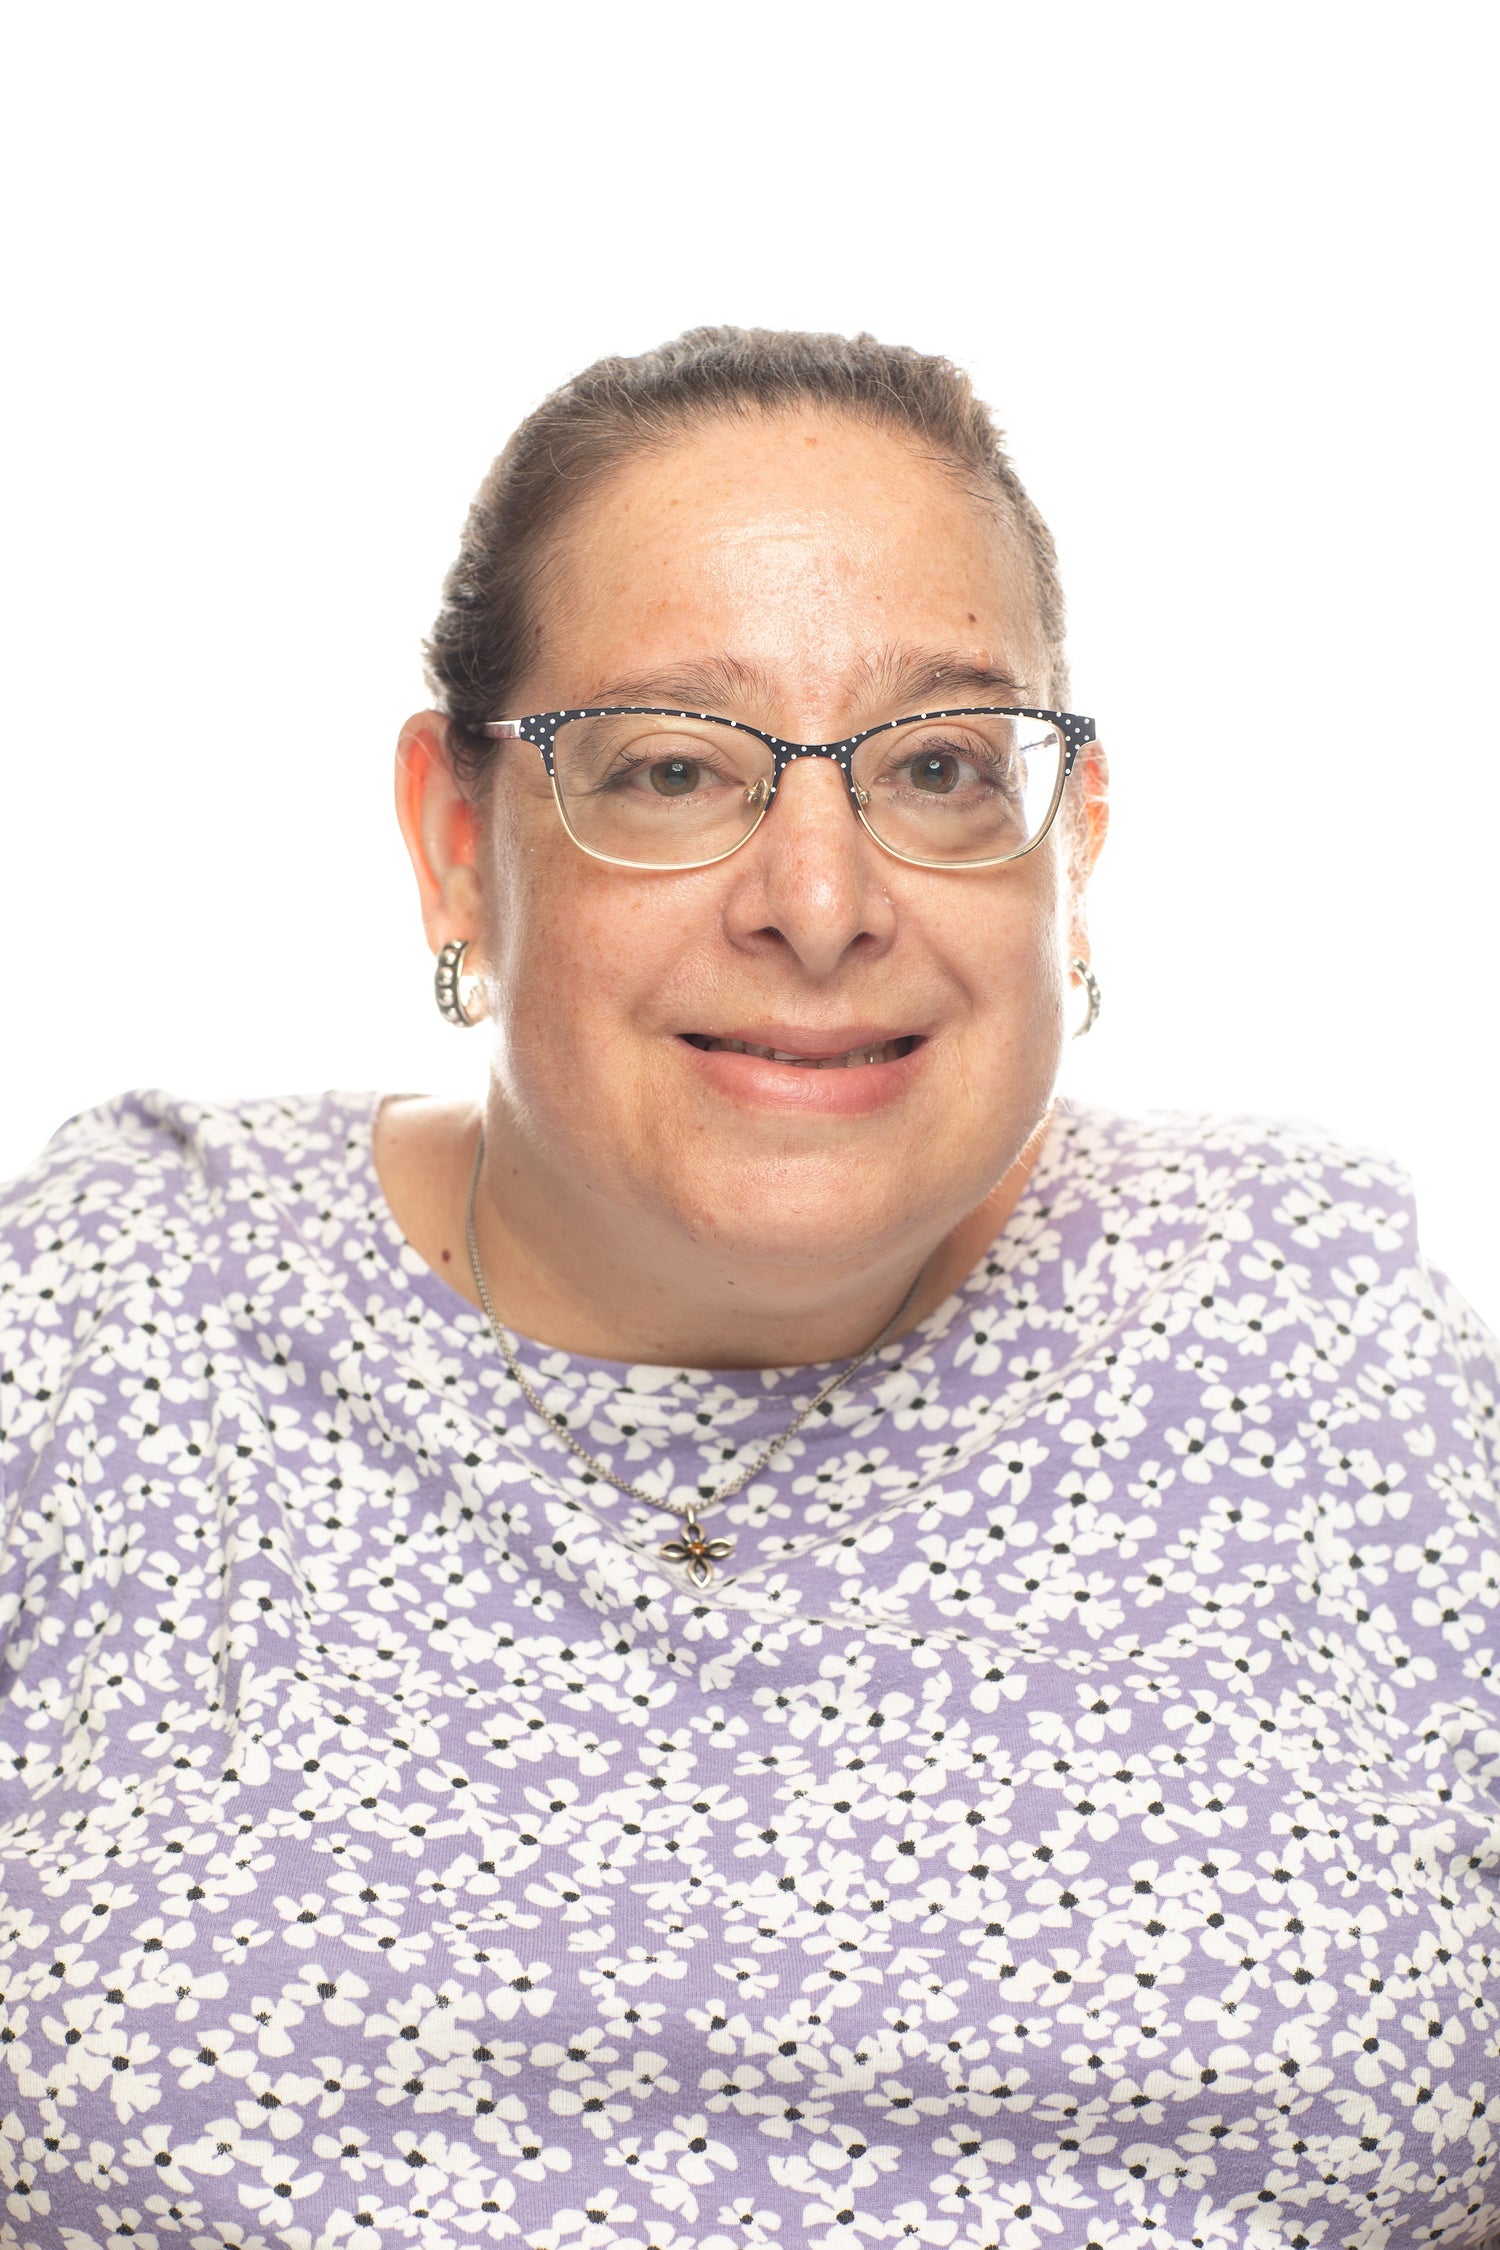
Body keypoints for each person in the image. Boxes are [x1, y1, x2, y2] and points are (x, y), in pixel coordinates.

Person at [1, 327, 1496, 2250]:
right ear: (460, 844)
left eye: (943, 765)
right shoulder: (123, 1317)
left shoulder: (1320, 1328)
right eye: (674, 768)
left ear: (1075, 845)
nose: (817, 895)